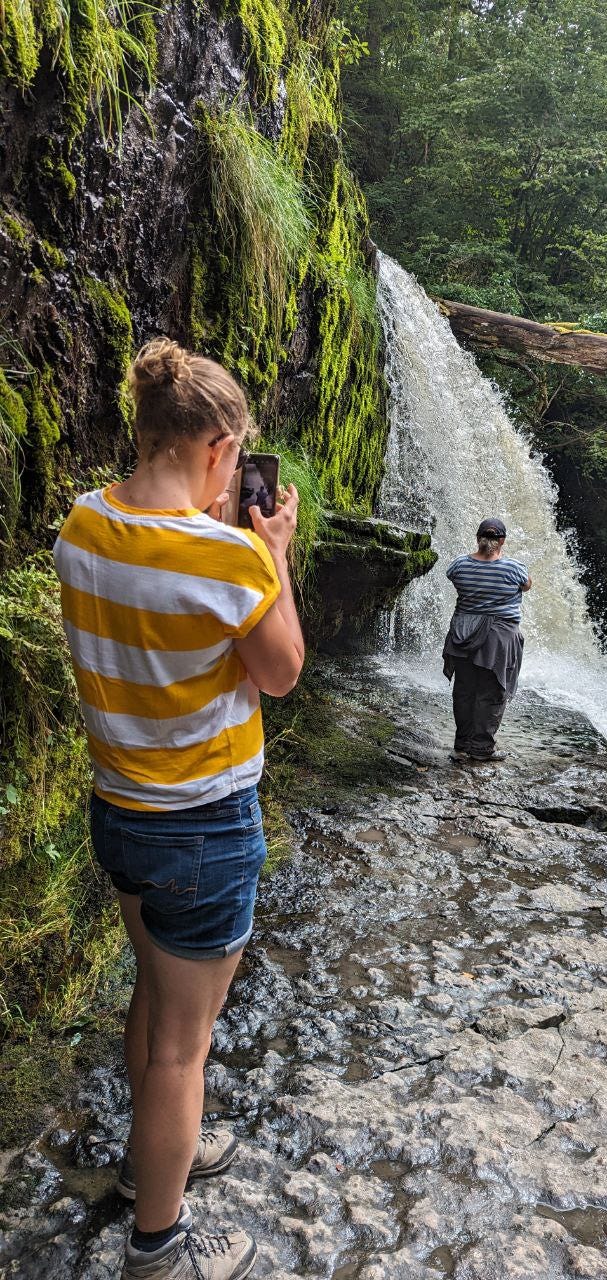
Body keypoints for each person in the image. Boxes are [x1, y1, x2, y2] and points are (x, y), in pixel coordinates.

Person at [53, 338, 304, 1280]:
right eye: (234, 457)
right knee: (182, 1048)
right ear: (216, 447)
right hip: (203, 827)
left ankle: (149, 1158)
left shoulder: (81, 527)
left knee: (152, 997)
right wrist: (271, 553)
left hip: (121, 812)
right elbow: (281, 675)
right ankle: (159, 1242)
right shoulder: (228, 559)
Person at [443, 517, 531, 764]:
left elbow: (453, 578)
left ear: (478, 538)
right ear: (501, 541)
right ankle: (481, 748)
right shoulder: (514, 568)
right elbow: (526, 586)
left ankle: (461, 744)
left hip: (463, 633)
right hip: (498, 638)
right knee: (491, 691)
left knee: (464, 691)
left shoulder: (459, 565)